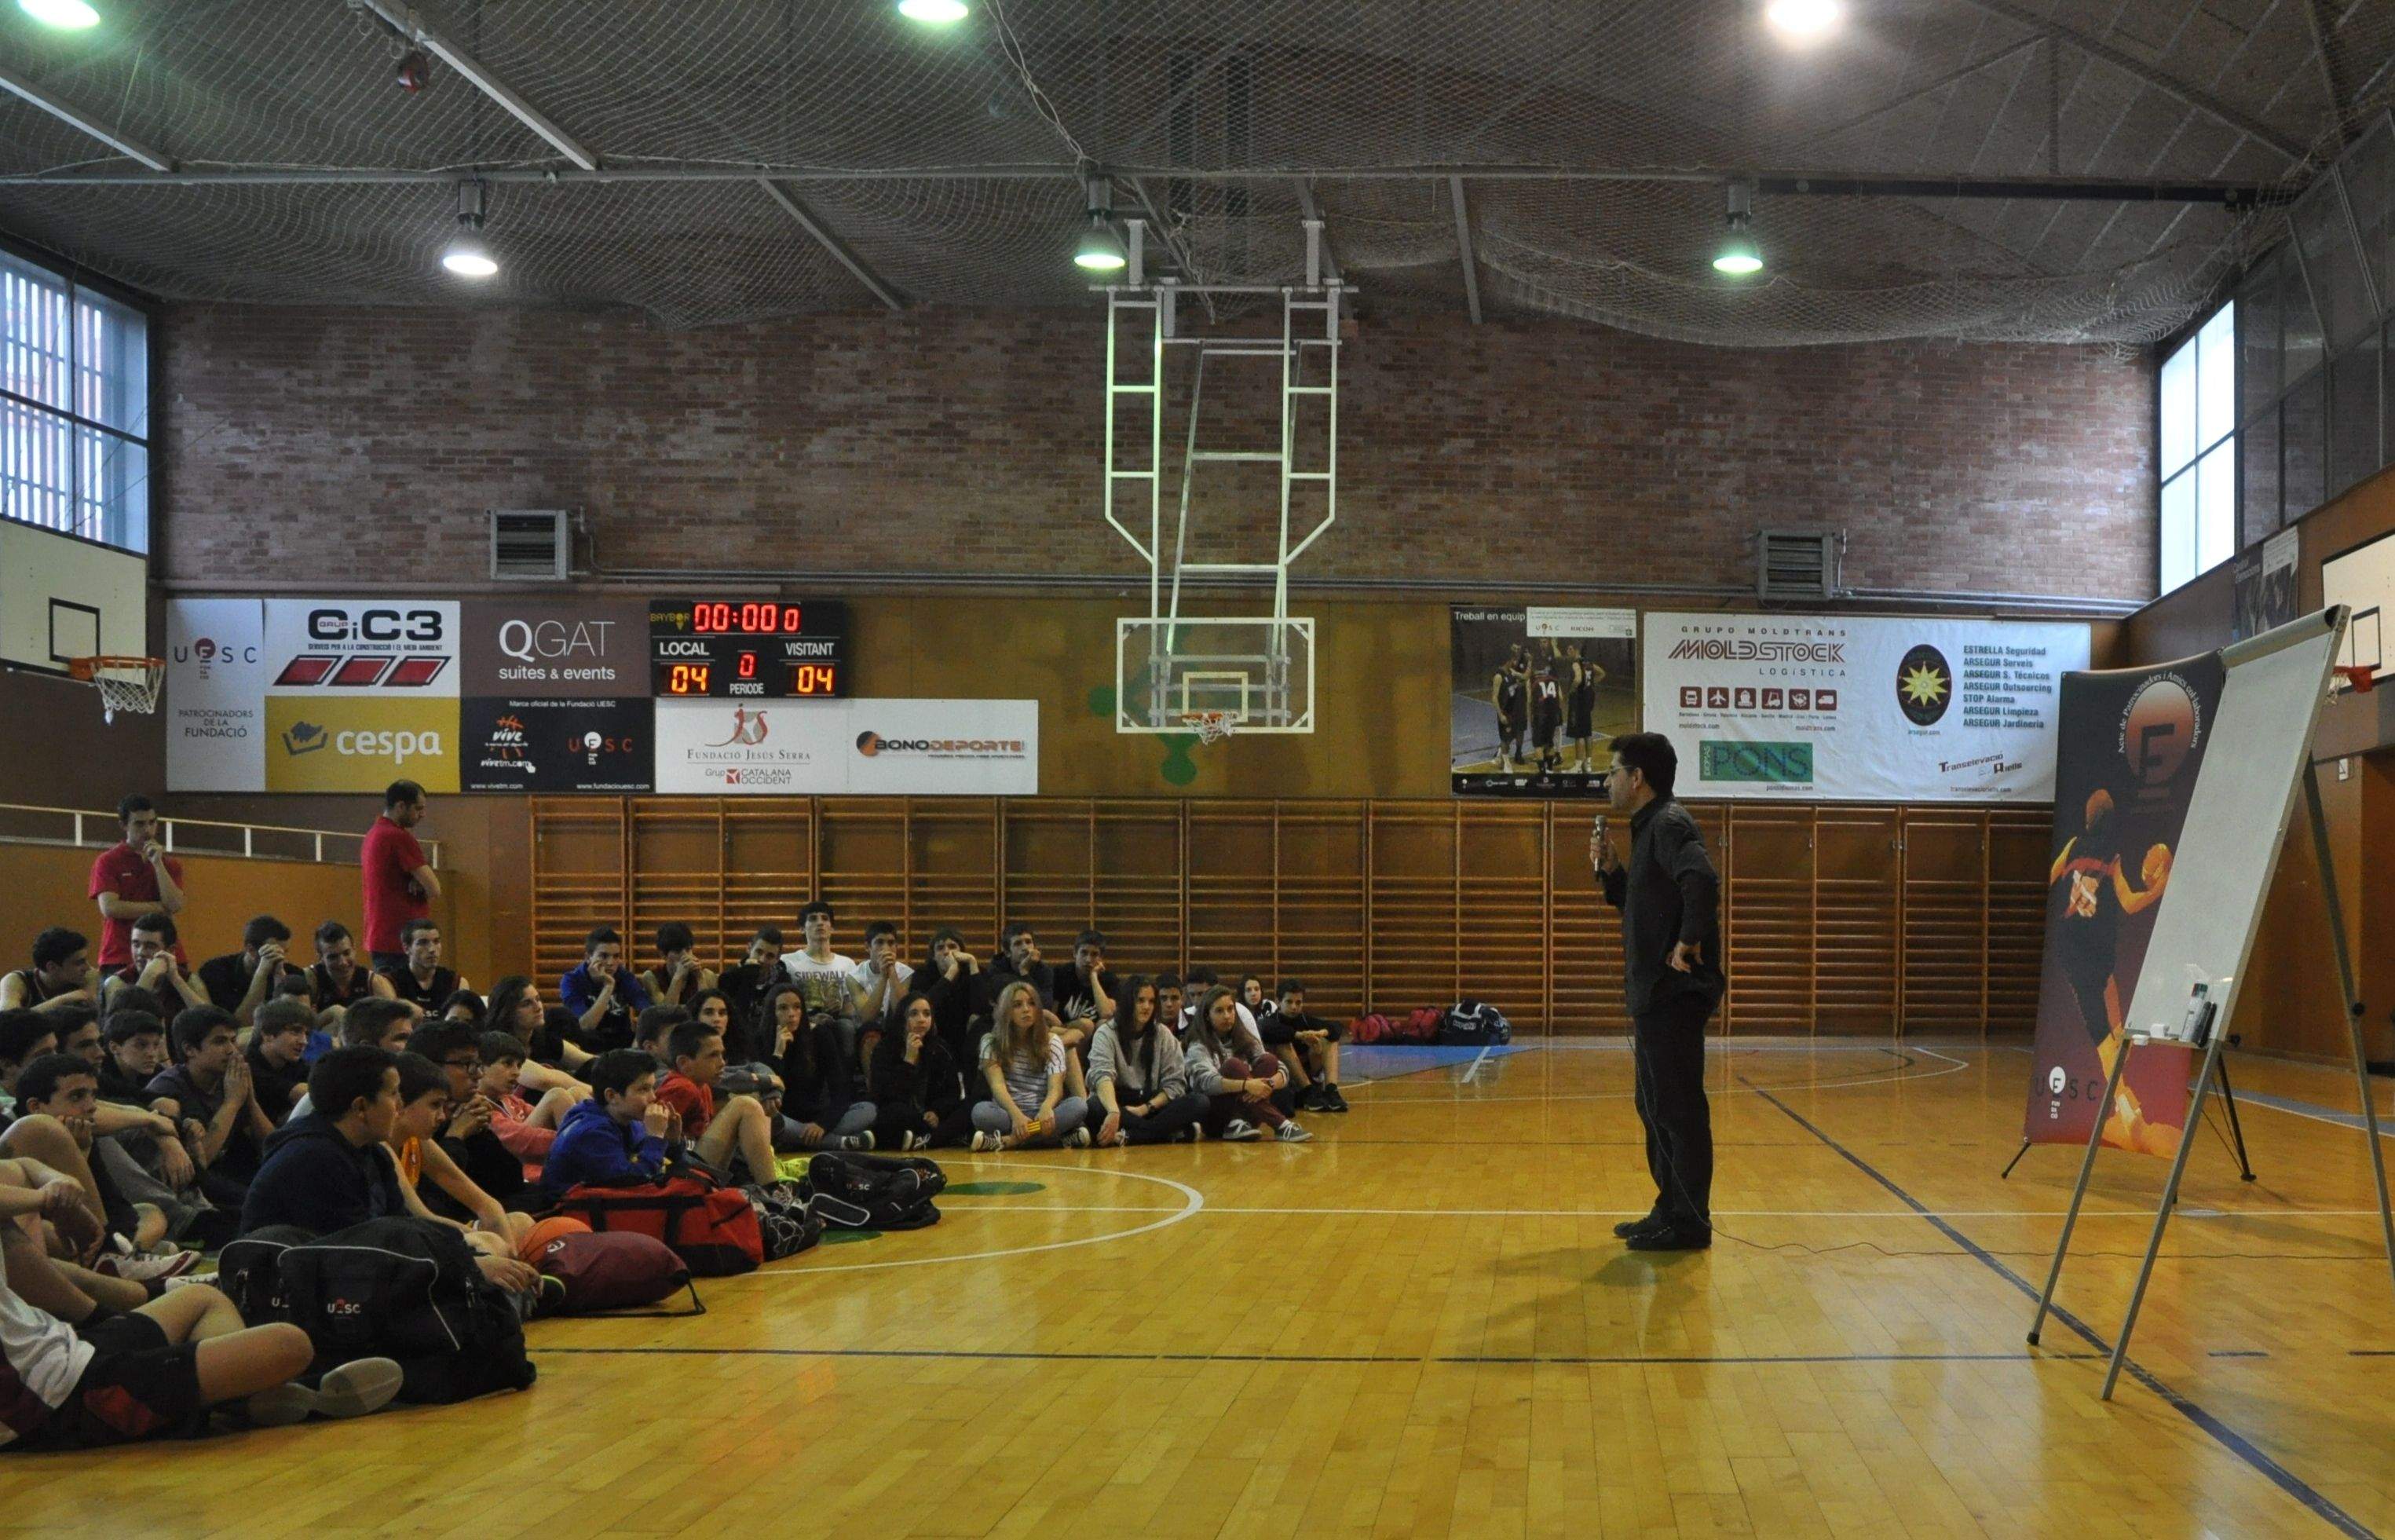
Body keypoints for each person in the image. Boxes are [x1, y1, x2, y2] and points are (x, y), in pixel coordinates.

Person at [0, 1151, 405, 1447]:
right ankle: (255, 1393)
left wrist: (57, 1190)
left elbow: (20, 1165)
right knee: (288, 1342)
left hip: (68, 1353)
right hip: (52, 1404)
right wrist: (48, 1199)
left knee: (201, 1298)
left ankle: (247, 1397)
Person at [1593, 731, 1724, 1252]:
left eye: (1613, 772)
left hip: (1673, 992)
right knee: (1655, 1105)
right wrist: (1613, 874)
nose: (1607, 782)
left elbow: (1703, 880)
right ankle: (1669, 1207)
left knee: (1677, 1107)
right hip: (1654, 994)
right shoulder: (1648, 829)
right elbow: (1648, 907)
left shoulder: (1668, 823)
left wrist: (1688, 943)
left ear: (1637, 778)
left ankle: (1690, 1222)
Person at [144, 1007, 273, 1209]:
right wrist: (232, 1103)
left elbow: (270, 1146)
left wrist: (249, 1099)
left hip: (230, 1173)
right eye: (220, 1041)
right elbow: (196, 1166)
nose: (232, 1050)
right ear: (190, 1049)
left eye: (233, 1040)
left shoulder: (230, 1080)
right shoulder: (168, 1089)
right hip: (193, 1189)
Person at [539, 1048, 686, 1197]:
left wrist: (671, 1141)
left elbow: (652, 1161)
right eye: (643, 1090)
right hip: (564, 1210)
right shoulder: (592, 1133)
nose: (653, 1097)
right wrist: (655, 1137)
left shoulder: (626, 1120)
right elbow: (635, 1182)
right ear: (612, 1096)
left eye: (652, 1088)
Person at [655, 1021, 784, 1182]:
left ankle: (765, 1186)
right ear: (684, 1063)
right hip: (677, 1171)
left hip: (694, 1164)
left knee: (754, 1104)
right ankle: (772, 1189)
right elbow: (654, 1139)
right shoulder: (681, 1088)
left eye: (722, 1055)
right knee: (745, 1105)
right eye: (713, 1055)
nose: (722, 1062)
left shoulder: (703, 1087)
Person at [1086, 977, 1208, 1146]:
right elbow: (1102, 1076)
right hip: (1118, 1102)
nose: (1146, 1007)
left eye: (1151, 1001)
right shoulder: (1106, 1034)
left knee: (1200, 1102)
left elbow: (1175, 1084)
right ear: (1128, 1002)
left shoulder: (1163, 1034)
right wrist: (1114, 1111)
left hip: (1152, 1104)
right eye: (1140, 1001)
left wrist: (1144, 1109)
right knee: (1094, 1106)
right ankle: (1166, 1133)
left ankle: (1132, 1136)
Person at [970, 981, 1088, 1151]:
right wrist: (1017, 1116)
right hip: (1009, 1113)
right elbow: (997, 1086)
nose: (1026, 1009)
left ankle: (1009, 1142)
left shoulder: (1052, 1041)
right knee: (980, 1113)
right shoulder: (991, 1042)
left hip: (1043, 1113)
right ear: (1006, 1011)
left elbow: (1056, 1088)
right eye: (1018, 1005)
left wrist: (1047, 1107)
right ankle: (1055, 1140)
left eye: (1032, 1003)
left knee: (1079, 1106)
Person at [759, 983, 876, 1151]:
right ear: (772, 1012)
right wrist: (778, 1054)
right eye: (783, 1008)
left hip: (815, 1116)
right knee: (766, 1118)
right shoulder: (761, 1039)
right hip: (782, 1116)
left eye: (797, 1007)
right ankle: (839, 1143)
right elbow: (766, 1092)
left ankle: (798, 1141)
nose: (791, 1014)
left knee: (868, 1109)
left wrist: (823, 1124)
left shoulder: (819, 1035)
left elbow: (841, 1091)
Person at [1182, 986, 1307, 1142]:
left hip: (1248, 1118)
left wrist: (1270, 1083)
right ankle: (1280, 1124)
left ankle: (1240, 1123)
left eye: (1230, 1009)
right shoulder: (1198, 1045)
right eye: (1219, 1011)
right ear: (1207, 1016)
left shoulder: (1243, 1037)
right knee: (1233, 1065)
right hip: (1215, 1118)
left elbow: (1280, 1067)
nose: (1227, 1016)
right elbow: (1206, 1083)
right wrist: (1246, 1085)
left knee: (1268, 1060)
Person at [87, 796, 185, 975]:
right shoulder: (108, 862)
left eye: (152, 823)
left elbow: (175, 905)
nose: (147, 830)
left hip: (167, 955)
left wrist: (157, 864)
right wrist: (159, 909)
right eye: (139, 824)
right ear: (124, 826)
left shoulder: (169, 864)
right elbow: (110, 908)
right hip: (120, 956)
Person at [867, 993, 967, 1150]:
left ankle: (925, 1140)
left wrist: (937, 1112)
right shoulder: (885, 1048)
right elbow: (883, 1095)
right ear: (902, 1018)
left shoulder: (940, 1048)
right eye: (914, 1014)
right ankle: (935, 1139)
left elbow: (952, 1092)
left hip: (930, 1116)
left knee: (968, 1108)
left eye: (927, 1014)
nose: (922, 1019)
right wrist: (909, 1061)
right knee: (892, 1114)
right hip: (903, 1113)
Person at [361, 780, 441, 972]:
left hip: (380, 936)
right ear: (401, 806)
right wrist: (422, 881)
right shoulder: (398, 837)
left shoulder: (373, 834)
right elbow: (435, 889)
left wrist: (415, 879)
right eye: (418, 808)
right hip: (400, 941)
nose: (423, 814)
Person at [474, 1033, 576, 1172]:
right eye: (508, 1063)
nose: (517, 1072)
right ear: (481, 1067)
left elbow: (542, 1118)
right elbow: (520, 1140)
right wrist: (576, 1139)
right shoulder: (477, 1106)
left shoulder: (510, 1100)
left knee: (575, 1093)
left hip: (532, 1155)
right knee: (557, 1095)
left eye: (519, 1066)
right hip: (513, 1166)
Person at [781, 901, 865, 1057]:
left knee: (846, 1027)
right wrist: (810, 1018)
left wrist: (837, 1013)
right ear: (801, 929)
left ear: (832, 928)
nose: (820, 922)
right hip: (802, 1020)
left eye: (825, 918)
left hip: (837, 1021)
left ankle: (845, 1079)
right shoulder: (788, 961)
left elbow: (850, 1005)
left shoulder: (847, 964)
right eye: (813, 919)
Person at [481, 975, 591, 1085]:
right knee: (551, 1067)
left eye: (538, 999)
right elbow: (543, 1080)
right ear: (508, 1012)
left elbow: (589, 1061)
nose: (538, 1007)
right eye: (527, 1004)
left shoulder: (543, 1038)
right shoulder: (497, 1044)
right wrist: (594, 1093)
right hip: (515, 1100)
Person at [196, 916, 305, 1027]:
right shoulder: (216, 971)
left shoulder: (293, 973)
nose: (281, 958)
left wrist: (279, 977)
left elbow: (297, 1023)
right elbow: (241, 1024)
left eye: (284, 952)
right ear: (250, 949)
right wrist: (262, 972)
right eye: (272, 952)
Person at [1262, 979, 1348, 1113]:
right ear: (1278, 1002)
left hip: (1310, 1074)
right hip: (1285, 1079)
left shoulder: (1305, 1019)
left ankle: (1331, 1090)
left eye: (1298, 1002)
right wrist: (1300, 1035)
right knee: (1283, 1042)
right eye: (1289, 1002)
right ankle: (1307, 1090)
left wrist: (1320, 1033)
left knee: (1329, 1040)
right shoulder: (1270, 1021)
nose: (1294, 1007)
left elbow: (1337, 1027)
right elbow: (1266, 1029)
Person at [560, 927, 649, 1054]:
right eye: (604, 956)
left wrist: (638, 1041)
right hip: (588, 1048)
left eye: (616, 956)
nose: (610, 963)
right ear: (588, 957)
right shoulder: (572, 980)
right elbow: (586, 1026)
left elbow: (648, 1011)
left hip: (622, 1045)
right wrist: (608, 987)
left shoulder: (625, 977)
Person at [103, 916, 204, 1014]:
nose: (140, 952)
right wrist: (148, 976)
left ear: (171, 950)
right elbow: (122, 1025)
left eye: (150, 946)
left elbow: (211, 1023)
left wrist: (176, 980)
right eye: (136, 944)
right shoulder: (117, 982)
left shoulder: (189, 980)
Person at [306, 920, 394, 1026]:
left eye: (346, 953)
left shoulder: (374, 982)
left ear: (354, 949)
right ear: (320, 958)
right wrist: (331, 1013)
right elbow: (297, 1026)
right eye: (333, 957)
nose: (342, 962)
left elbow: (395, 1024)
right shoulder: (310, 979)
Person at [2, 929, 101, 1016]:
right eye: (79, 962)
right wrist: (62, 1000)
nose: (87, 967)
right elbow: (8, 1019)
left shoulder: (89, 976)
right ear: (52, 967)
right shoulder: (16, 981)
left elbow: (91, 1019)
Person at [243, 998, 315, 1118]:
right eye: (295, 1031)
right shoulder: (248, 1068)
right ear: (267, 1034)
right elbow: (301, 1093)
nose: (304, 1041)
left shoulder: (297, 1064)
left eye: (306, 1034)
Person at [378, 918, 466, 1014]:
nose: (432, 949)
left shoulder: (456, 983)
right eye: (423, 943)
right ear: (406, 948)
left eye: (436, 942)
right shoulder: (391, 983)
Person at [716, 926, 785, 1044]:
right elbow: (733, 1018)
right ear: (749, 949)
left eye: (770, 956)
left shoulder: (782, 980)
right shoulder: (728, 978)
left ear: (777, 959)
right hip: (736, 1040)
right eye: (759, 952)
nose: (762, 960)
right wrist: (748, 979)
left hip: (770, 1040)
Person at [851, 920, 912, 1037]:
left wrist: (892, 972)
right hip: (867, 1031)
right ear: (867, 947)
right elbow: (867, 1018)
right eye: (879, 942)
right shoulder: (855, 977)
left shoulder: (907, 974)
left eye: (891, 943)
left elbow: (901, 1013)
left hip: (894, 1027)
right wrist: (884, 977)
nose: (886, 948)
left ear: (896, 947)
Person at [636, 924, 718, 1008]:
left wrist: (700, 978)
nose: (685, 956)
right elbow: (666, 1014)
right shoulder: (652, 977)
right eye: (677, 952)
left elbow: (708, 1013)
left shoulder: (708, 975)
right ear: (663, 955)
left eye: (688, 949)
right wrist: (678, 977)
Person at [1567, 644, 1604, 773]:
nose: (1568, 652)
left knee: (1579, 734)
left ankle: (1577, 765)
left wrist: (1571, 691)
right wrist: (1592, 684)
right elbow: (1602, 673)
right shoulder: (1589, 663)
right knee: (1587, 733)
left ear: (1576, 650)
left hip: (1579, 701)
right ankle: (1588, 764)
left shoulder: (1576, 664)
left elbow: (1577, 680)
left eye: (1570, 649)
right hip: (1588, 700)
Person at [1491, 648, 1530, 772]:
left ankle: (1505, 762)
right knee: (1505, 739)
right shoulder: (1498, 676)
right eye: (1512, 660)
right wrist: (1500, 714)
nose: (1514, 662)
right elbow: (1494, 698)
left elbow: (1522, 680)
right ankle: (1505, 763)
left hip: (1514, 711)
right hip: (1505, 712)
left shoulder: (1511, 673)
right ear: (1507, 661)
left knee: (1513, 735)